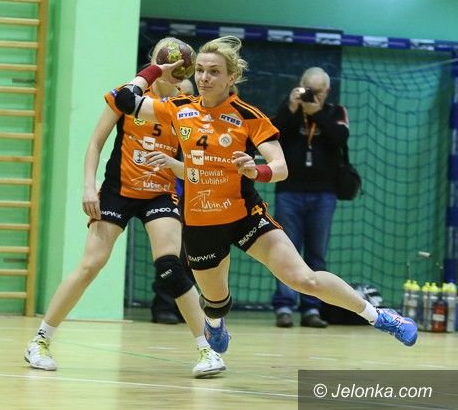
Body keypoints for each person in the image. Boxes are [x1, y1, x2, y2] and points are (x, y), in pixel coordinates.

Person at [112, 35, 418, 354]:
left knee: (304, 279)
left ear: (231, 77)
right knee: (216, 303)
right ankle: (215, 322)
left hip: (246, 216)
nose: (204, 77)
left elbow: (280, 167)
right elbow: (125, 100)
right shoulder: (177, 108)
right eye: (200, 70)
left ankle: (380, 317)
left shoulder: (248, 116)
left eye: (214, 72)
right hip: (201, 223)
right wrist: (155, 70)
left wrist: (256, 170)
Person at [24, 38, 226, 378]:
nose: (176, 70)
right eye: (168, 64)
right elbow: (95, 142)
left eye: (182, 66)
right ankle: (40, 341)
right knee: (91, 264)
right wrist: (88, 186)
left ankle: (208, 350)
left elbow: (195, 164)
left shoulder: (186, 105)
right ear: (155, 63)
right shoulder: (127, 95)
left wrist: (176, 166)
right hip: (118, 191)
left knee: (171, 267)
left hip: (160, 193)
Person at [270, 67, 348, 329]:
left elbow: (341, 138)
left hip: (324, 194)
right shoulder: (289, 108)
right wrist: (292, 108)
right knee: (285, 251)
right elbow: (272, 134)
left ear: (327, 90)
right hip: (288, 191)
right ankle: (284, 306)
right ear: (300, 85)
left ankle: (312, 308)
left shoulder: (336, 112)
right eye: (309, 89)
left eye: (319, 91)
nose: (313, 95)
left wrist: (317, 113)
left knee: (316, 254)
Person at [151, 83, 195, 325]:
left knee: (194, 253)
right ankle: (164, 305)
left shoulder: (198, 122)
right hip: (169, 192)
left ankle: (186, 309)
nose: (182, 96)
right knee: (170, 255)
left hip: (197, 194)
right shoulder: (159, 117)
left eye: (187, 93)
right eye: (179, 91)